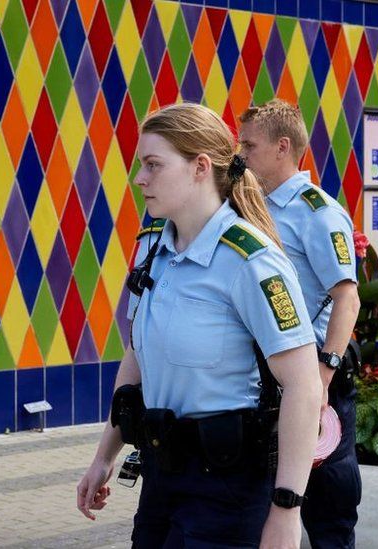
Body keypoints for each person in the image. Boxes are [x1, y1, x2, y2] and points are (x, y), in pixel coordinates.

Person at [75, 103, 322, 548]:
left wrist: (286, 510)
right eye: (141, 166)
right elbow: (137, 358)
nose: (140, 179)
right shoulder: (153, 248)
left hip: (228, 489)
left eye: (153, 165)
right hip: (162, 479)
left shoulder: (251, 261)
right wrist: (103, 456)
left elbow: (304, 387)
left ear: (199, 168)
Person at [239, 100, 361, 549]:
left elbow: (347, 297)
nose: (241, 154)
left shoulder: (318, 212)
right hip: (269, 379)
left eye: (249, 145)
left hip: (316, 373)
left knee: (328, 509)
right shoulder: (251, 208)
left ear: (282, 147)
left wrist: (324, 373)